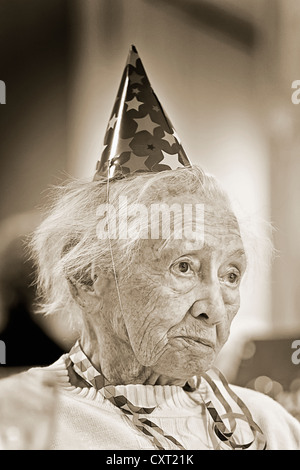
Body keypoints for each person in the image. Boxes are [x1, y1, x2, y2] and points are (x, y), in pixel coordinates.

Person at [0, 46, 300, 451]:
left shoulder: (271, 425)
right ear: (88, 278)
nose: (213, 307)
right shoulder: (18, 420)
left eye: (231, 275)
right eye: (183, 267)